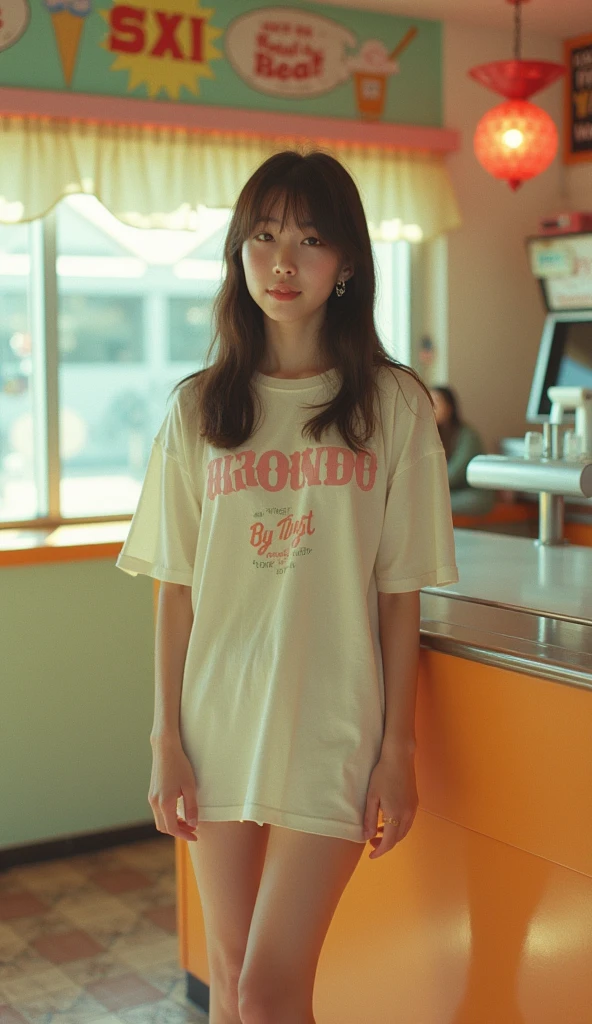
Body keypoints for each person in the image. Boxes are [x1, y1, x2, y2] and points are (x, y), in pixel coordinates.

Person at [116, 150, 459, 1024]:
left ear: (347, 263)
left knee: (269, 992)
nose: (282, 262)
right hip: (216, 721)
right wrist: (165, 740)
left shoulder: (393, 405)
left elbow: (399, 595)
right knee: (230, 981)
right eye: (263, 237)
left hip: (331, 727)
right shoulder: (197, 409)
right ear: (237, 253)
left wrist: (398, 753)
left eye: (310, 240)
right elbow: (177, 592)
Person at [430, 385, 495, 515]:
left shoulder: (467, 436)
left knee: (430, 505)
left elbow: (454, 474)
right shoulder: (432, 435)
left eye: (436, 403)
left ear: (450, 407)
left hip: (472, 493)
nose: (431, 408)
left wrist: (426, 487)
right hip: (448, 492)